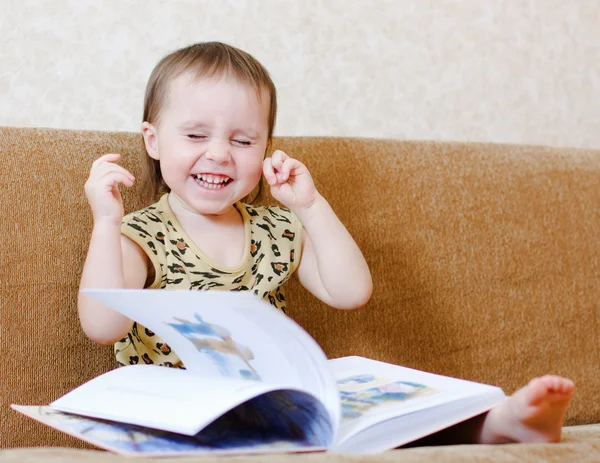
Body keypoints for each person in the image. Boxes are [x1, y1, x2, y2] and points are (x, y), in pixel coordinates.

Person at [78, 41, 574, 446]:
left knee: (364, 415)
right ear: (153, 140)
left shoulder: (273, 229)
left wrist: (311, 207)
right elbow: (102, 325)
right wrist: (105, 222)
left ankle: (494, 425)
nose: (220, 154)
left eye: (243, 141)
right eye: (195, 134)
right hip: (177, 412)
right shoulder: (140, 234)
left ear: (266, 150)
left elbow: (350, 291)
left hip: (268, 403)